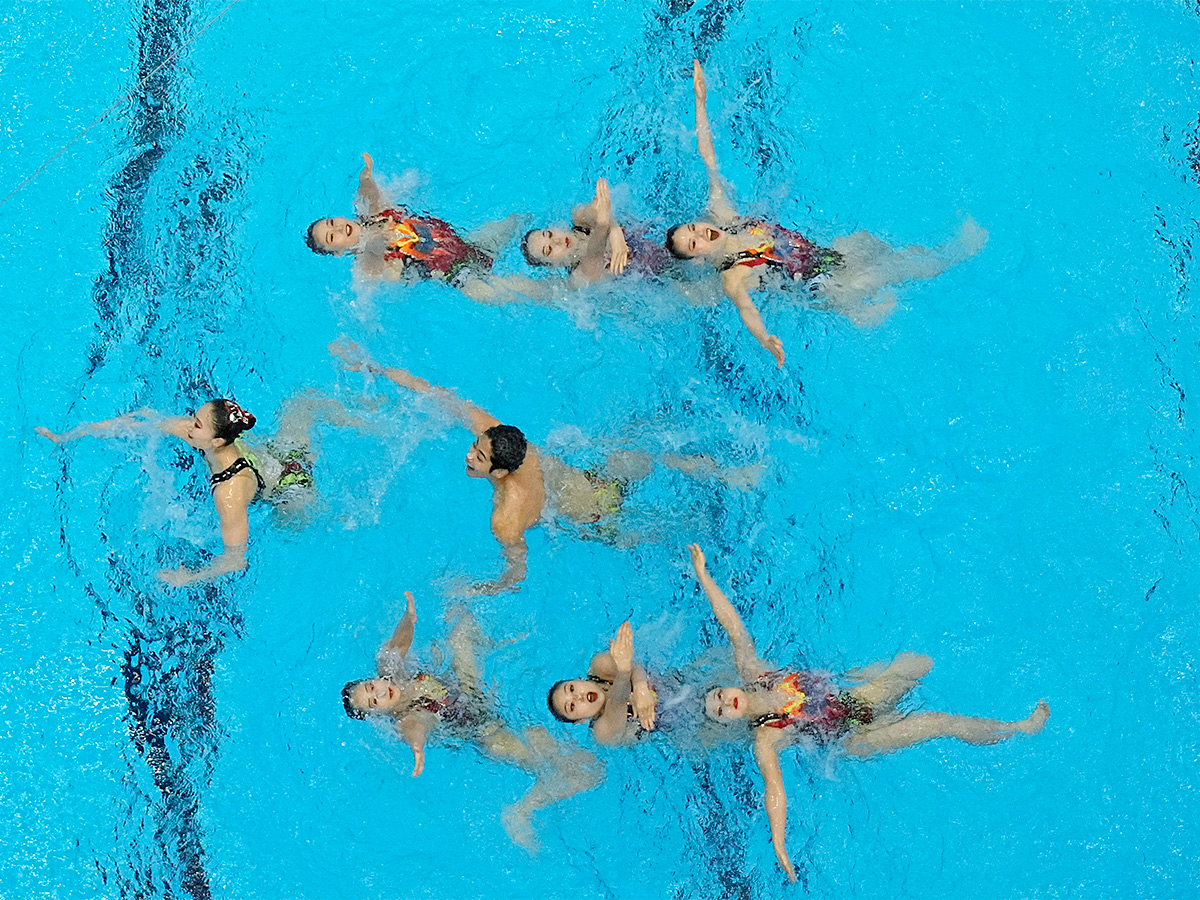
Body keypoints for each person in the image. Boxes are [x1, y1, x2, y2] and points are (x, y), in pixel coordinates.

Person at [687, 543, 1049, 883]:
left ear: (726, 685)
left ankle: (880, 685)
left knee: (921, 663)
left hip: (857, 699)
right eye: (719, 712)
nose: (724, 703)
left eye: (719, 695)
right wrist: (779, 843)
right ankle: (1020, 727)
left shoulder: (754, 671)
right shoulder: (765, 737)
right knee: (941, 723)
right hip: (858, 737)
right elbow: (775, 790)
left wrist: (704, 577)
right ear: (727, 722)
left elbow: (733, 625)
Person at [330, 340, 751, 592]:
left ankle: (719, 490)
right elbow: (435, 393)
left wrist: (487, 589)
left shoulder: (506, 515)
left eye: (478, 458)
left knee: (663, 533)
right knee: (638, 453)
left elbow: (518, 569)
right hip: (595, 481)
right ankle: (725, 473)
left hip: (597, 518)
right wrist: (374, 368)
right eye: (474, 447)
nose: (469, 455)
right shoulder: (502, 437)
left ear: (500, 472)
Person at [667, 61, 988, 367]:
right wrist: (765, 339)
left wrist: (700, 100)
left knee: (869, 243)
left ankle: (860, 310)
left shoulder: (725, 216)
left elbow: (707, 156)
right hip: (824, 286)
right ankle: (957, 254)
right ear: (698, 258)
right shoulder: (732, 276)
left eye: (694, 228)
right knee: (895, 270)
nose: (699, 234)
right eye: (694, 244)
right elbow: (747, 309)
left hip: (824, 255)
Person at [343, 591, 603, 848]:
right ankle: (519, 812)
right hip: (483, 729)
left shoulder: (389, 672)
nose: (379, 692)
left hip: (467, 687)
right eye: (374, 702)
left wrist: (408, 618)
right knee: (581, 771)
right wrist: (417, 747)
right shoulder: (405, 717)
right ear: (379, 714)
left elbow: (398, 645)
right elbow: (416, 727)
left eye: (370, 687)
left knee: (461, 628)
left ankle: (497, 639)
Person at [36, 392, 359, 585]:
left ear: (218, 441)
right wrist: (69, 436)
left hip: (288, 488)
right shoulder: (203, 436)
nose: (188, 424)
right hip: (276, 453)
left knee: (303, 525)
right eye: (194, 416)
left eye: (197, 424)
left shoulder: (229, 493)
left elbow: (235, 560)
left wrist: (188, 578)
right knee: (302, 401)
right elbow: (140, 421)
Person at [306, 153, 517, 290]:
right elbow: (373, 260)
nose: (340, 227)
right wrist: (375, 246)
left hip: (462, 240)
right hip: (455, 273)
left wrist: (366, 178)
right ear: (338, 252)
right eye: (333, 236)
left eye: (333, 222)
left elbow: (369, 194)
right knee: (498, 291)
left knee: (514, 223)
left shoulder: (372, 213)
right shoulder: (363, 266)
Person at [522, 178, 671, 286]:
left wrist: (614, 230)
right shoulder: (581, 276)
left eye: (549, 234)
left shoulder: (578, 217)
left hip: (660, 232)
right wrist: (602, 226)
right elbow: (594, 251)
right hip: (663, 275)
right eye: (549, 249)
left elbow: (595, 212)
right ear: (554, 266)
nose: (556, 241)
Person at [546, 621, 659, 745]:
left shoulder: (600, 666)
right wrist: (623, 672)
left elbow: (636, 667)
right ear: (581, 721)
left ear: (579, 680)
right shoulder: (602, 732)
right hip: (669, 728)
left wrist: (640, 687)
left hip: (668, 684)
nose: (578, 697)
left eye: (572, 689)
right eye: (572, 706)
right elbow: (617, 702)